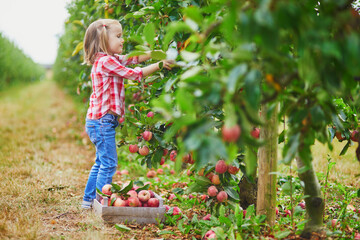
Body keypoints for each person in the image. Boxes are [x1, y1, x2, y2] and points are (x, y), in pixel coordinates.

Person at [81, 19, 174, 209]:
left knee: (101, 162)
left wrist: (155, 54)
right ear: (103, 39)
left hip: (99, 120)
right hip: (102, 121)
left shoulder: (110, 59)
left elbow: (133, 59)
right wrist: (160, 65)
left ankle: (87, 201)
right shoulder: (106, 61)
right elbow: (134, 73)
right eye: (118, 36)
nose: (122, 40)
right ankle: (100, 203)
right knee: (108, 163)